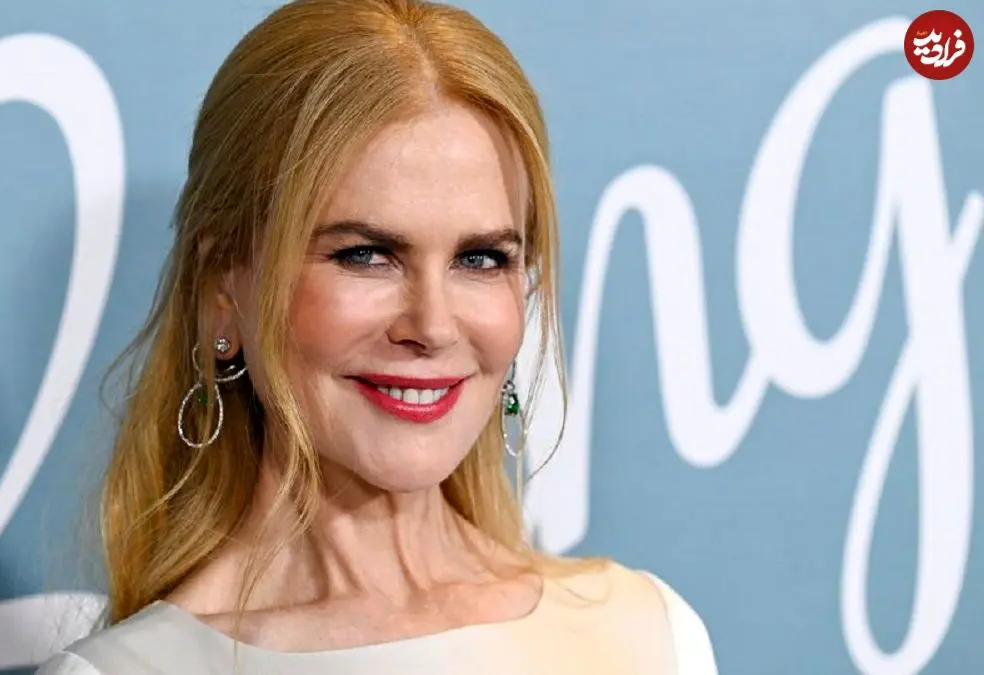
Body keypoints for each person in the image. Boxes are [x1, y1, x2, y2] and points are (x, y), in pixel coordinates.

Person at [38, 0, 718, 672]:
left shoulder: (648, 635)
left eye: (480, 259)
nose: (433, 326)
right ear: (224, 287)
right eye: (365, 255)